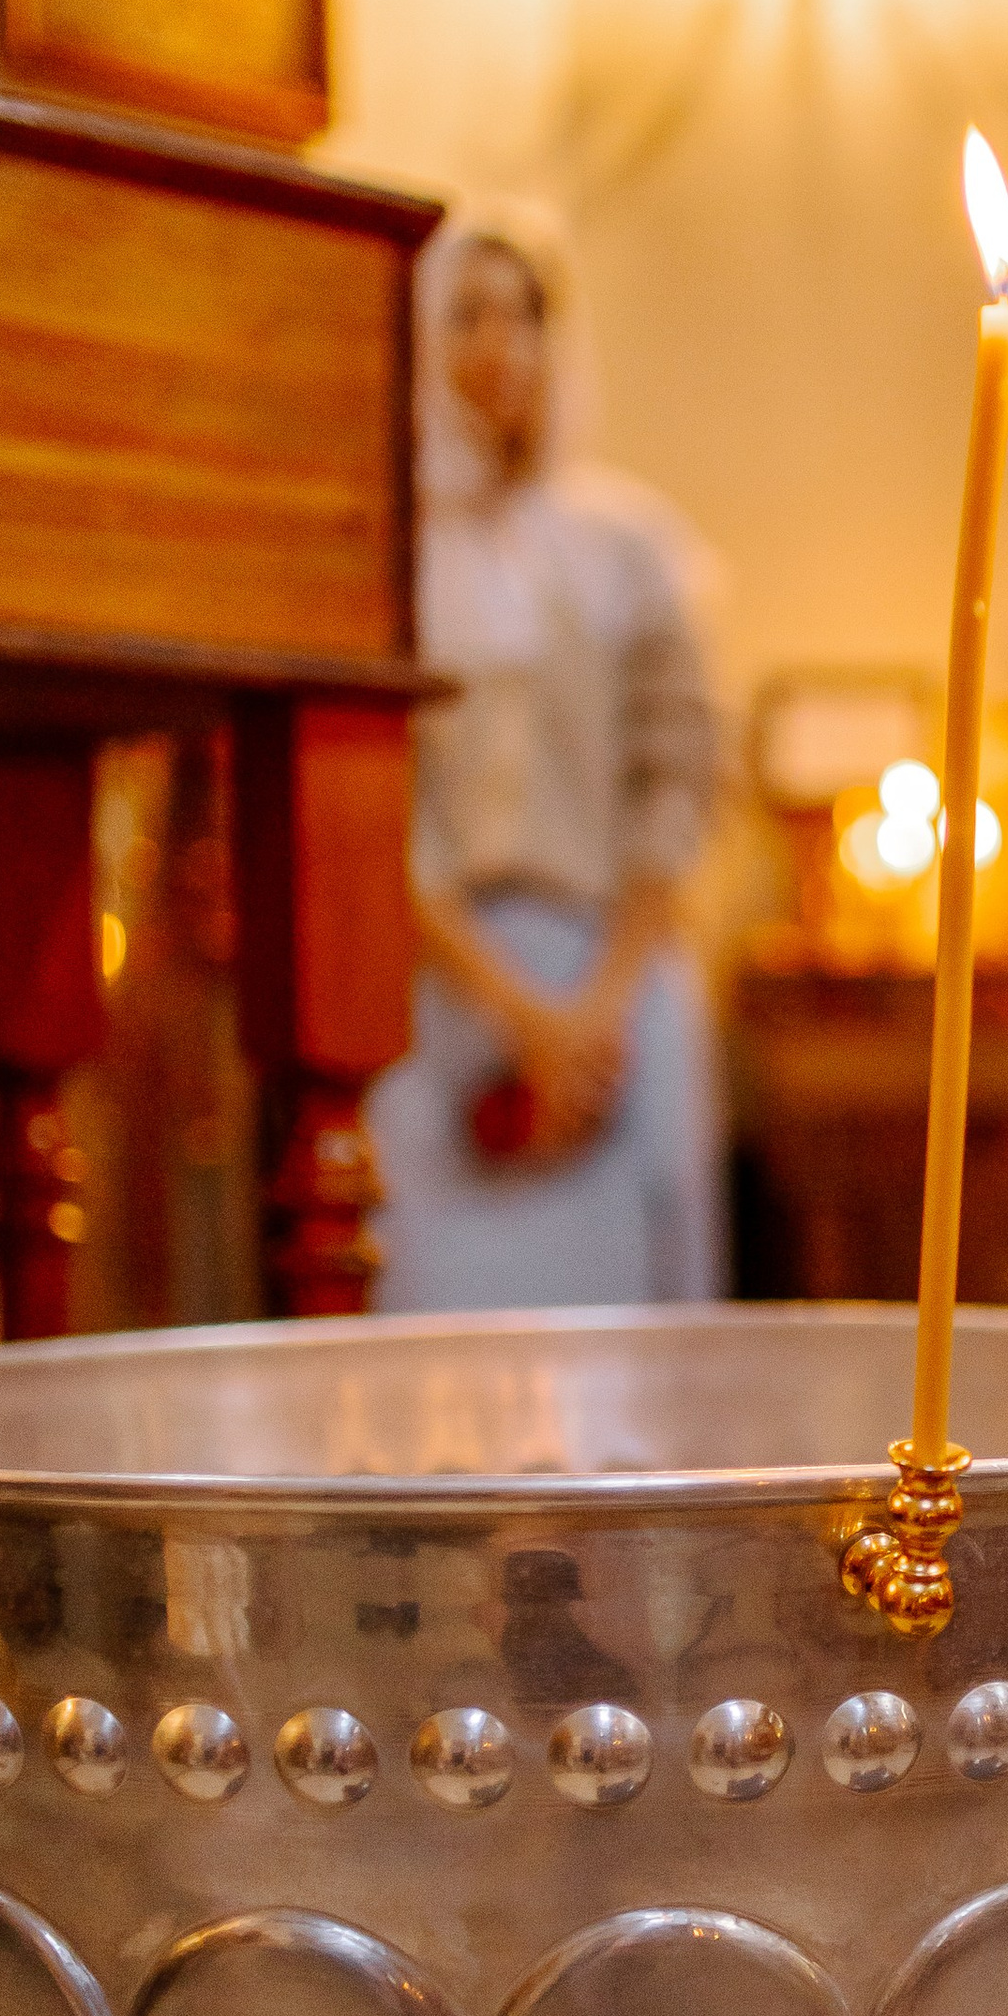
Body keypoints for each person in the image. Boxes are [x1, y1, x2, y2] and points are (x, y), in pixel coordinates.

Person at [369, 211, 726, 1314]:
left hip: (611, 985)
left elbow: (676, 773)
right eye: (466, 315)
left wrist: (597, 1006)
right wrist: (516, 1013)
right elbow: (383, 806)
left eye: (522, 315)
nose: (497, 345)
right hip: (449, 992)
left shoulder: (629, 549)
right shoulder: (389, 557)